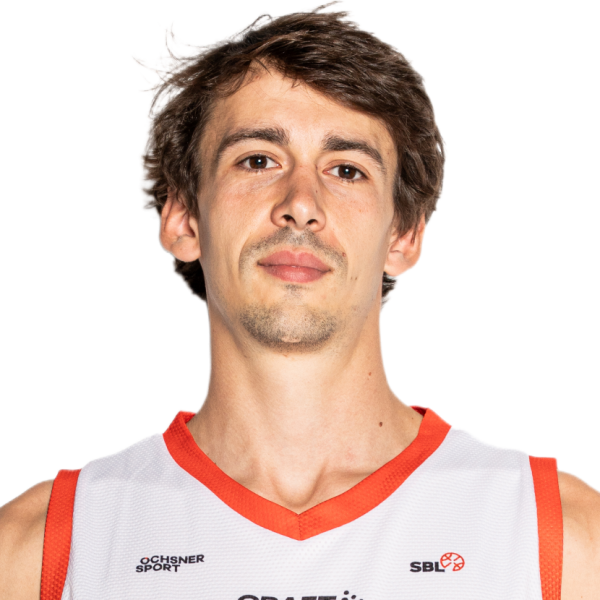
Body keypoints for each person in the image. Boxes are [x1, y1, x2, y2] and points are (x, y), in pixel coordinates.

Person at [1, 2, 598, 599]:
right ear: (183, 219)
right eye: (258, 160)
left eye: (347, 170)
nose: (301, 204)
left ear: (404, 235)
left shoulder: (562, 541)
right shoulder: (42, 549)